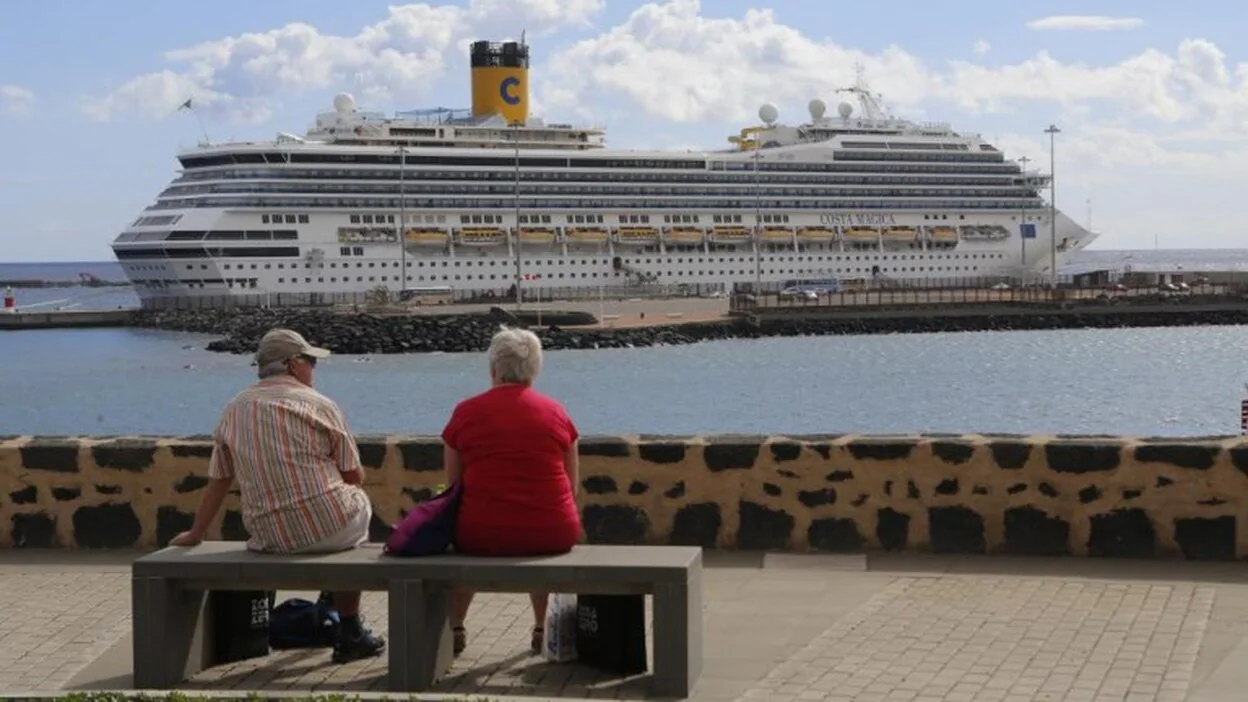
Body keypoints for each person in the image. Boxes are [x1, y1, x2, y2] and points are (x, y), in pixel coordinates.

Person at [169, 328, 386, 664]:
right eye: (311, 361)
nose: (314, 368)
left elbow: (219, 480)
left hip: (269, 536)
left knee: (340, 507)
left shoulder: (234, 408)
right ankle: (350, 629)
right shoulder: (321, 405)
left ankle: (331, 603)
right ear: (293, 364)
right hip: (332, 528)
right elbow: (354, 475)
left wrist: (195, 533)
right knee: (356, 501)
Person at [441, 326, 582, 657]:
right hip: (554, 531)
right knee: (537, 529)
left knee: (467, 537)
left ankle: (456, 626)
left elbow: (454, 488)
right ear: (535, 369)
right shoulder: (556, 412)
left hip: (481, 534)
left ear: (493, 368)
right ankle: (539, 629)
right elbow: (571, 486)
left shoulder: (466, 412)